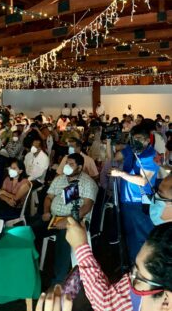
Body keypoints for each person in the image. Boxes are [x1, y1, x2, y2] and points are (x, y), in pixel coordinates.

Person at [66, 219, 171, 311]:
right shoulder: (149, 286)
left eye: (138, 279)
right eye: (133, 269)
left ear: (166, 301)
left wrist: (81, 247)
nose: (128, 279)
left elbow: (105, 304)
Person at [31, 153, 98, 284]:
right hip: (53, 218)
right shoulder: (59, 179)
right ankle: (31, 268)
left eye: (71, 164)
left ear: (79, 167)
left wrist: (68, 220)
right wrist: (45, 212)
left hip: (75, 221)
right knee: (32, 229)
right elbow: (49, 197)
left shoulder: (88, 183)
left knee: (64, 237)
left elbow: (86, 207)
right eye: (67, 163)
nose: (67, 166)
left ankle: (58, 280)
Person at [108, 125, 158, 263]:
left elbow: (143, 181)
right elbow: (114, 157)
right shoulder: (130, 149)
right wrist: (109, 142)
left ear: (148, 140)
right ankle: (133, 263)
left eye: (140, 139)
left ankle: (145, 265)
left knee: (142, 236)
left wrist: (120, 174)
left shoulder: (152, 156)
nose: (136, 141)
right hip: (126, 200)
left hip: (140, 201)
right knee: (130, 234)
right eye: (134, 138)